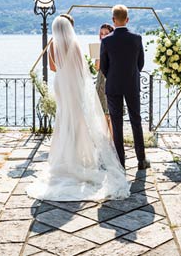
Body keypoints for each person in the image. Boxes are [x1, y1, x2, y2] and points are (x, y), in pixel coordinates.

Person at [26, 15, 129, 201]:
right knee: (77, 119)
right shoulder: (75, 44)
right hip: (73, 85)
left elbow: (53, 68)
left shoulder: (53, 45)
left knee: (63, 118)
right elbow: (82, 68)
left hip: (60, 85)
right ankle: (81, 157)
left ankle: (63, 158)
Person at [100, 4, 150, 170]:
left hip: (113, 85)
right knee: (136, 121)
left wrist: (113, 77)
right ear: (127, 19)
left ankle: (120, 162)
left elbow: (104, 67)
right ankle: (141, 160)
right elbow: (140, 64)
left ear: (113, 20)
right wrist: (131, 76)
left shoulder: (106, 40)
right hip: (131, 84)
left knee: (117, 123)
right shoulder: (136, 38)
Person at [95, 23, 114, 137]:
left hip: (111, 81)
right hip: (101, 81)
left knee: (111, 114)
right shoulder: (99, 47)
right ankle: (106, 143)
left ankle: (113, 143)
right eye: (101, 34)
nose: (103, 36)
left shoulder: (115, 47)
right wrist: (99, 55)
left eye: (106, 33)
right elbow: (97, 67)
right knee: (103, 114)